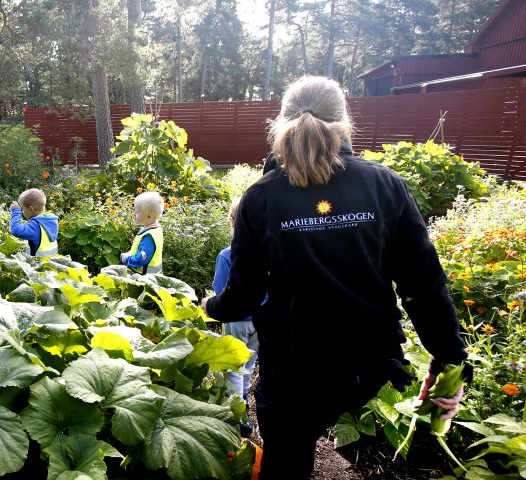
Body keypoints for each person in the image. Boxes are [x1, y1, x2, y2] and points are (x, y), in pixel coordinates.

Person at [200, 76, 469, 479]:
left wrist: (209, 306)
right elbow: (423, 286)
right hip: (366, 364)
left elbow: (243, 297)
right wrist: (452, 362)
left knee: (288, 454)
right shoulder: (384, 185)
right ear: (345, 123)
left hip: (294, 368)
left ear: (280, 124)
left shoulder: (261, 197)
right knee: (318, 415)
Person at [213, 197, 260, 437]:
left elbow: (220, 291)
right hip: (261, 321)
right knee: (249, 366)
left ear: (233, 221)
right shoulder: (268, 252)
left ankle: (238, 418)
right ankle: (244, 409)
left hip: (235, 319)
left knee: (234, 367)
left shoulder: (227, 255)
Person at [121, 191, 164, 275]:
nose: (134, 214)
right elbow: (138, 250)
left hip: (143, 278)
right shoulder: (153, 230)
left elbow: (141, 258)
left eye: (137, 212)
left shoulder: (149, 236)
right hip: (146, 276)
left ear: (149, 215)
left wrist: (126, 259)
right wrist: (129, 253)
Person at [10, 188, 60, 257]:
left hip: (37, 265)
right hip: (51, 263)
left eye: (22, 209)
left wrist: (16, 212)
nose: (21, 212)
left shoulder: (35, 226)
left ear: (31, 209)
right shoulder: (50, 220)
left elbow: (16, 230)